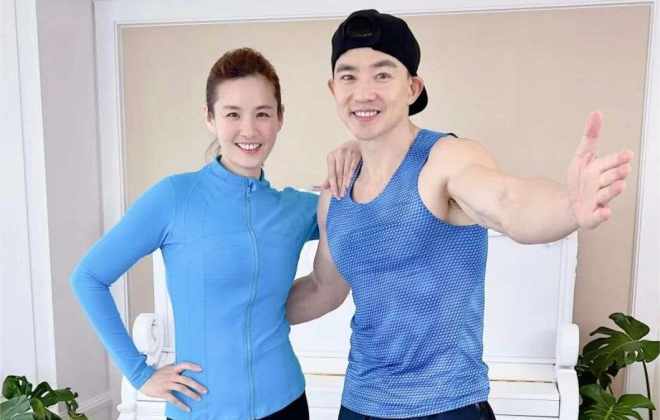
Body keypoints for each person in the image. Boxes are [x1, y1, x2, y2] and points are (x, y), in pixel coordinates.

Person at [286, 9, 634, 420]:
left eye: (382, 74)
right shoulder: (335, 192)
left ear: (412, 87)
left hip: (447, 405)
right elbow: (323, 289)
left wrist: (568, 206)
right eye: (348, 76)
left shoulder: (446, 160)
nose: (363, 92)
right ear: (333, 88)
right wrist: (244, 312)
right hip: (359, 404)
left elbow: (507, 202)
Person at [70, 47, 360, 420]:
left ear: (280, 118)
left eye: (262, 113)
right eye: (232, 114)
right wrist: (140, 373)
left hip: (285, 403)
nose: (249, 130)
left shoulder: (295, 209)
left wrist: (356, 149)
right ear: (209, 117)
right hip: (201, 410)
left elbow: (366, 202)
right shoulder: (173, 198)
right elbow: (88, 277)